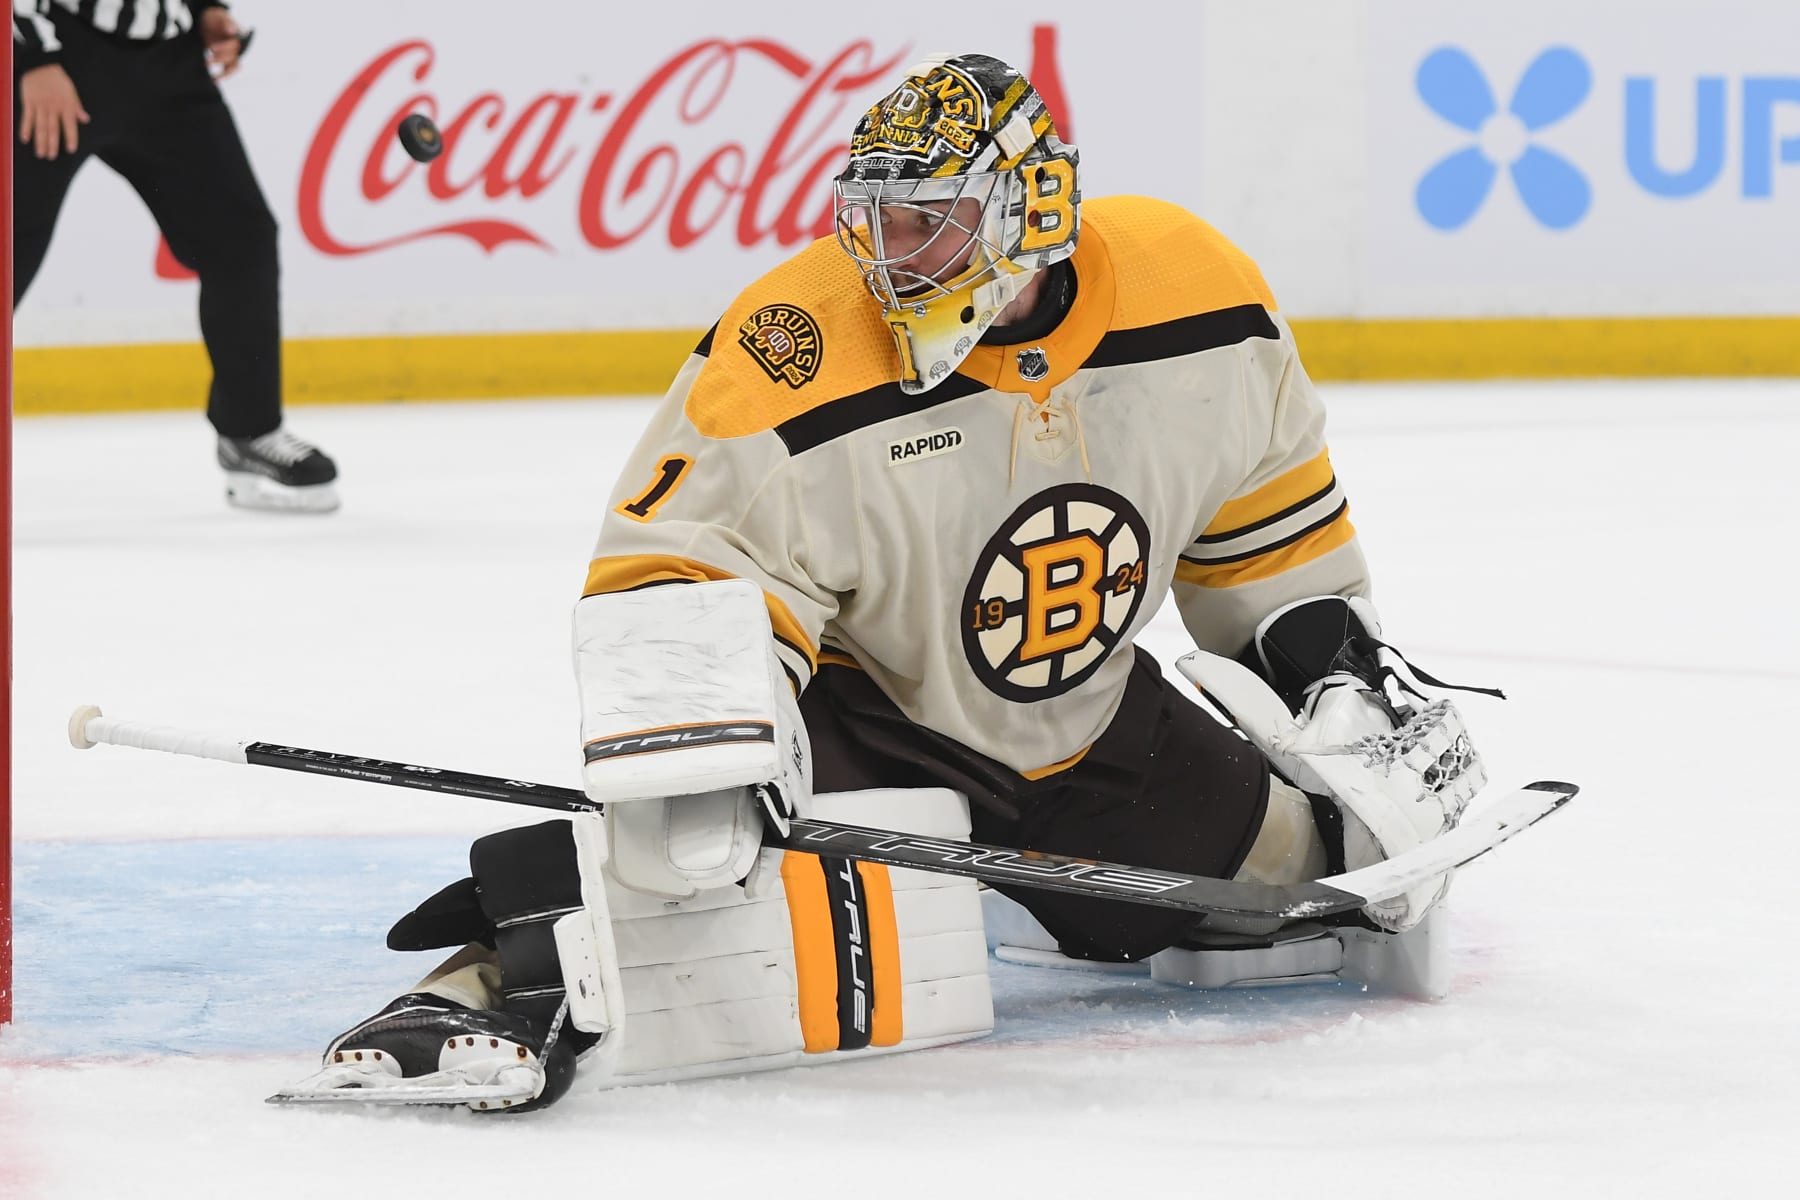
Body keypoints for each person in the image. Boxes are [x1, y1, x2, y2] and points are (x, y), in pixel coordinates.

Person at [289, 53, 1489, 1111]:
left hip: (1099, 723)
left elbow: (1268, 549)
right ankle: (491, 976)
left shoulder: (1200, 303)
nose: (887, 256)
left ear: (1037, 210)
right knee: (700, 881)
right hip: (873, 726)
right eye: (875, 221)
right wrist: (719, 768)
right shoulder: (792, 352)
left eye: (929, 222)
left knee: (1314, 882)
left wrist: (1338, 689)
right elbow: (680, 585)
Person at [12, 0, 339, 513]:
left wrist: (205, 9)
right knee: (10, 250)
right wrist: (29, 56)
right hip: (57, 51)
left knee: (239, 236)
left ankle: (250, 432)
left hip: (170, 62)